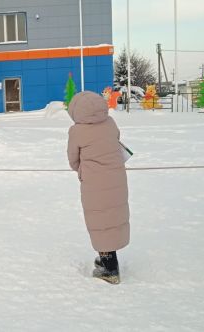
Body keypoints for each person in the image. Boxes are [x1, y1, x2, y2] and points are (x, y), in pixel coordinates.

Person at [67, 91, 129, 284]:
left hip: (94, 182)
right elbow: (116, 142)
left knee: (99, 221)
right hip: (117, 177)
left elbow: (73, 159)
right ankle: (106, 258)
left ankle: (110, 269)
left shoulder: (76, 131)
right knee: (112, 217)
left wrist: (84, 170)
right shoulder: (110, 123)